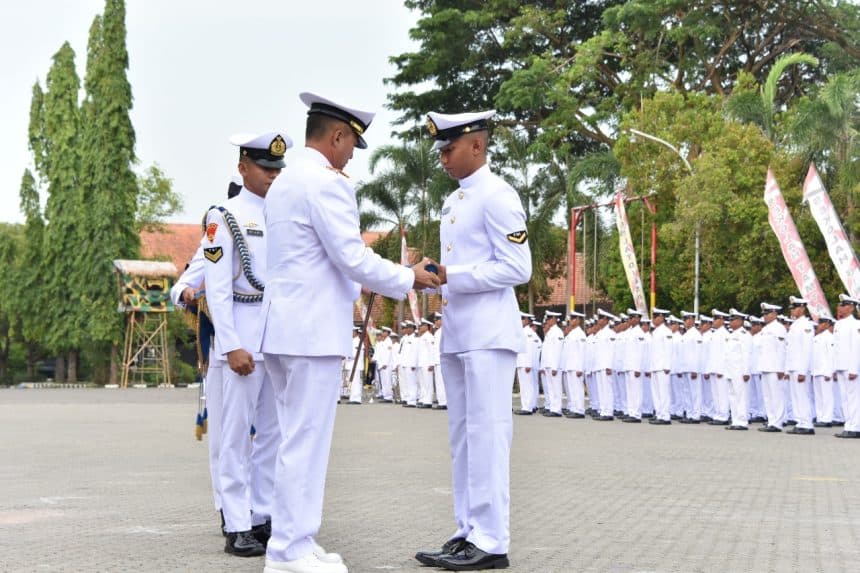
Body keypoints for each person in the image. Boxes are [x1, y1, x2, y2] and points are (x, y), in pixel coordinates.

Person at [257, 92, 439, 573]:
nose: (351, 155)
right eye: (351, 145)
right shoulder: (326, 184)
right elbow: (351, 257)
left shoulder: (285, 181)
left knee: (294, 439)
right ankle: (289, 550)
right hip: (311, 333)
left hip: (282, 329)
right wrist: (408, 277)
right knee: (306, 442)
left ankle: (293, 540)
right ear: (336, 135)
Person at [414, 109, 531, 571]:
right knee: (463, 438)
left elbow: (517, 268)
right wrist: (438, 280)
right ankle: (467, 532)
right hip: (460, 332)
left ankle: (492, 540)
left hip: (488, 334)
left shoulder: (498, 195)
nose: (442, 157)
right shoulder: (456, 200)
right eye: (440, 150)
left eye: (449, 148)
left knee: (488, 436)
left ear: (477, 146)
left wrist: (452, 276)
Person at [170, 177, 242, 536]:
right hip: (220, 352)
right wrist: (187, 292)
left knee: (263, 437)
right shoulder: (217, 232)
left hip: (268, 348)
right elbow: (183, 283)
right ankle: (228, 509)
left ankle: (260, 511)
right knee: (225, 435)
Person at [785, 296, 816, 435]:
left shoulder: (806, 325)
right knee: (796, 396)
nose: (793, 310)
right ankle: (800, 422)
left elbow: (806, 349)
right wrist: (787, 368)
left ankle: (807, 423)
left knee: (803, 395)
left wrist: (803, 370)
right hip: (793, 366)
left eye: (795, 308)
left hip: (800, 367)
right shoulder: (795, 325)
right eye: (792, 308)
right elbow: (790, 349)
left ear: (802, 308)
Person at [833, 294, 860, 438]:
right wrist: (835, 367)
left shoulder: (856, 324)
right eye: (839, 305)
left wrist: (854, 369)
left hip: (850, 367)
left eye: (843, 305)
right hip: (841, 366)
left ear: (850, 307)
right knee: (844, 398)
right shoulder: (838, 324)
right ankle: (848, 425)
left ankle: (855, 427)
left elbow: (856, 348)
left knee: (853, 398)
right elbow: (836, 348)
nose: (839, 307)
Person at [758, 302, 788, 432]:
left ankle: (777, 423)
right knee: (768, 396)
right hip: (765, 366)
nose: (765, 316)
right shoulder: (765, 329)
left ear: (775, 314)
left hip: (775, 368)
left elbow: (781, 350)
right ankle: (771, 420)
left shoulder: (779, 328)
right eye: (764, 314)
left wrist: (781, 369)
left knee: (776, 396)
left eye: (767, 313)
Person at [725, 309, 752, 430]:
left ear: (740, 321)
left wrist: (746, 371)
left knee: (741, 396)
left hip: (740, 371)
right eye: (730, 320)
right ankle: (735, 420)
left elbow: (746, 354)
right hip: (731, 370)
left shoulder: (744, 335)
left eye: (733, 319)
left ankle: (742, 421)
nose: (730, 322)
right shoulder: (732, 335)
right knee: (732, 396)